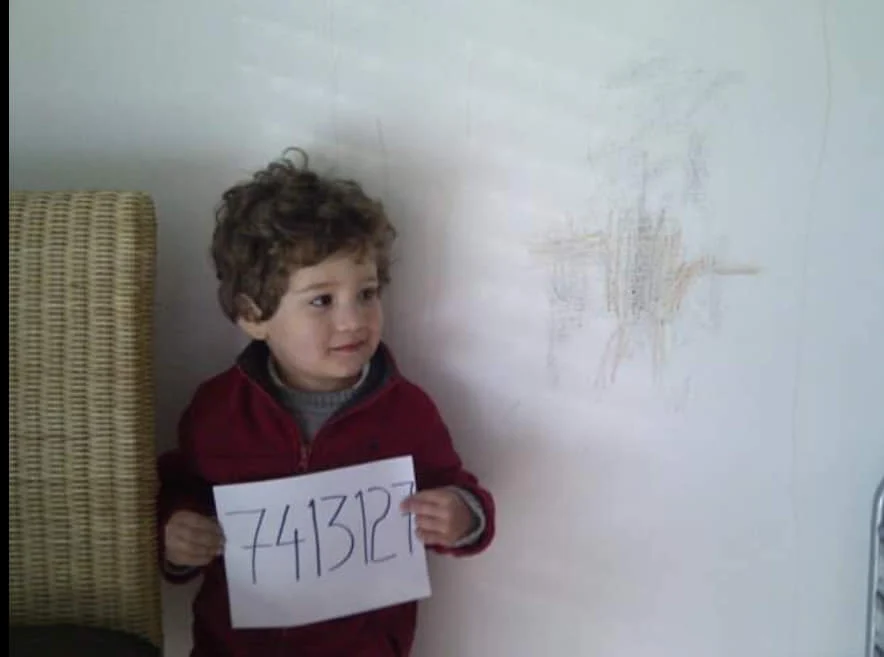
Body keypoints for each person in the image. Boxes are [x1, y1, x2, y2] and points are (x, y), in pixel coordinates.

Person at [156, 149, 496, 657]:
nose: (353, 320)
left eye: (367, 294)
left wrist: (462, 517)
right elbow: (179, 489)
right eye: (321, 300)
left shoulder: (407, 411)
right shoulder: (218, 411)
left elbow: (458, 487)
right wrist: (177, 535)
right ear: (254, 316)